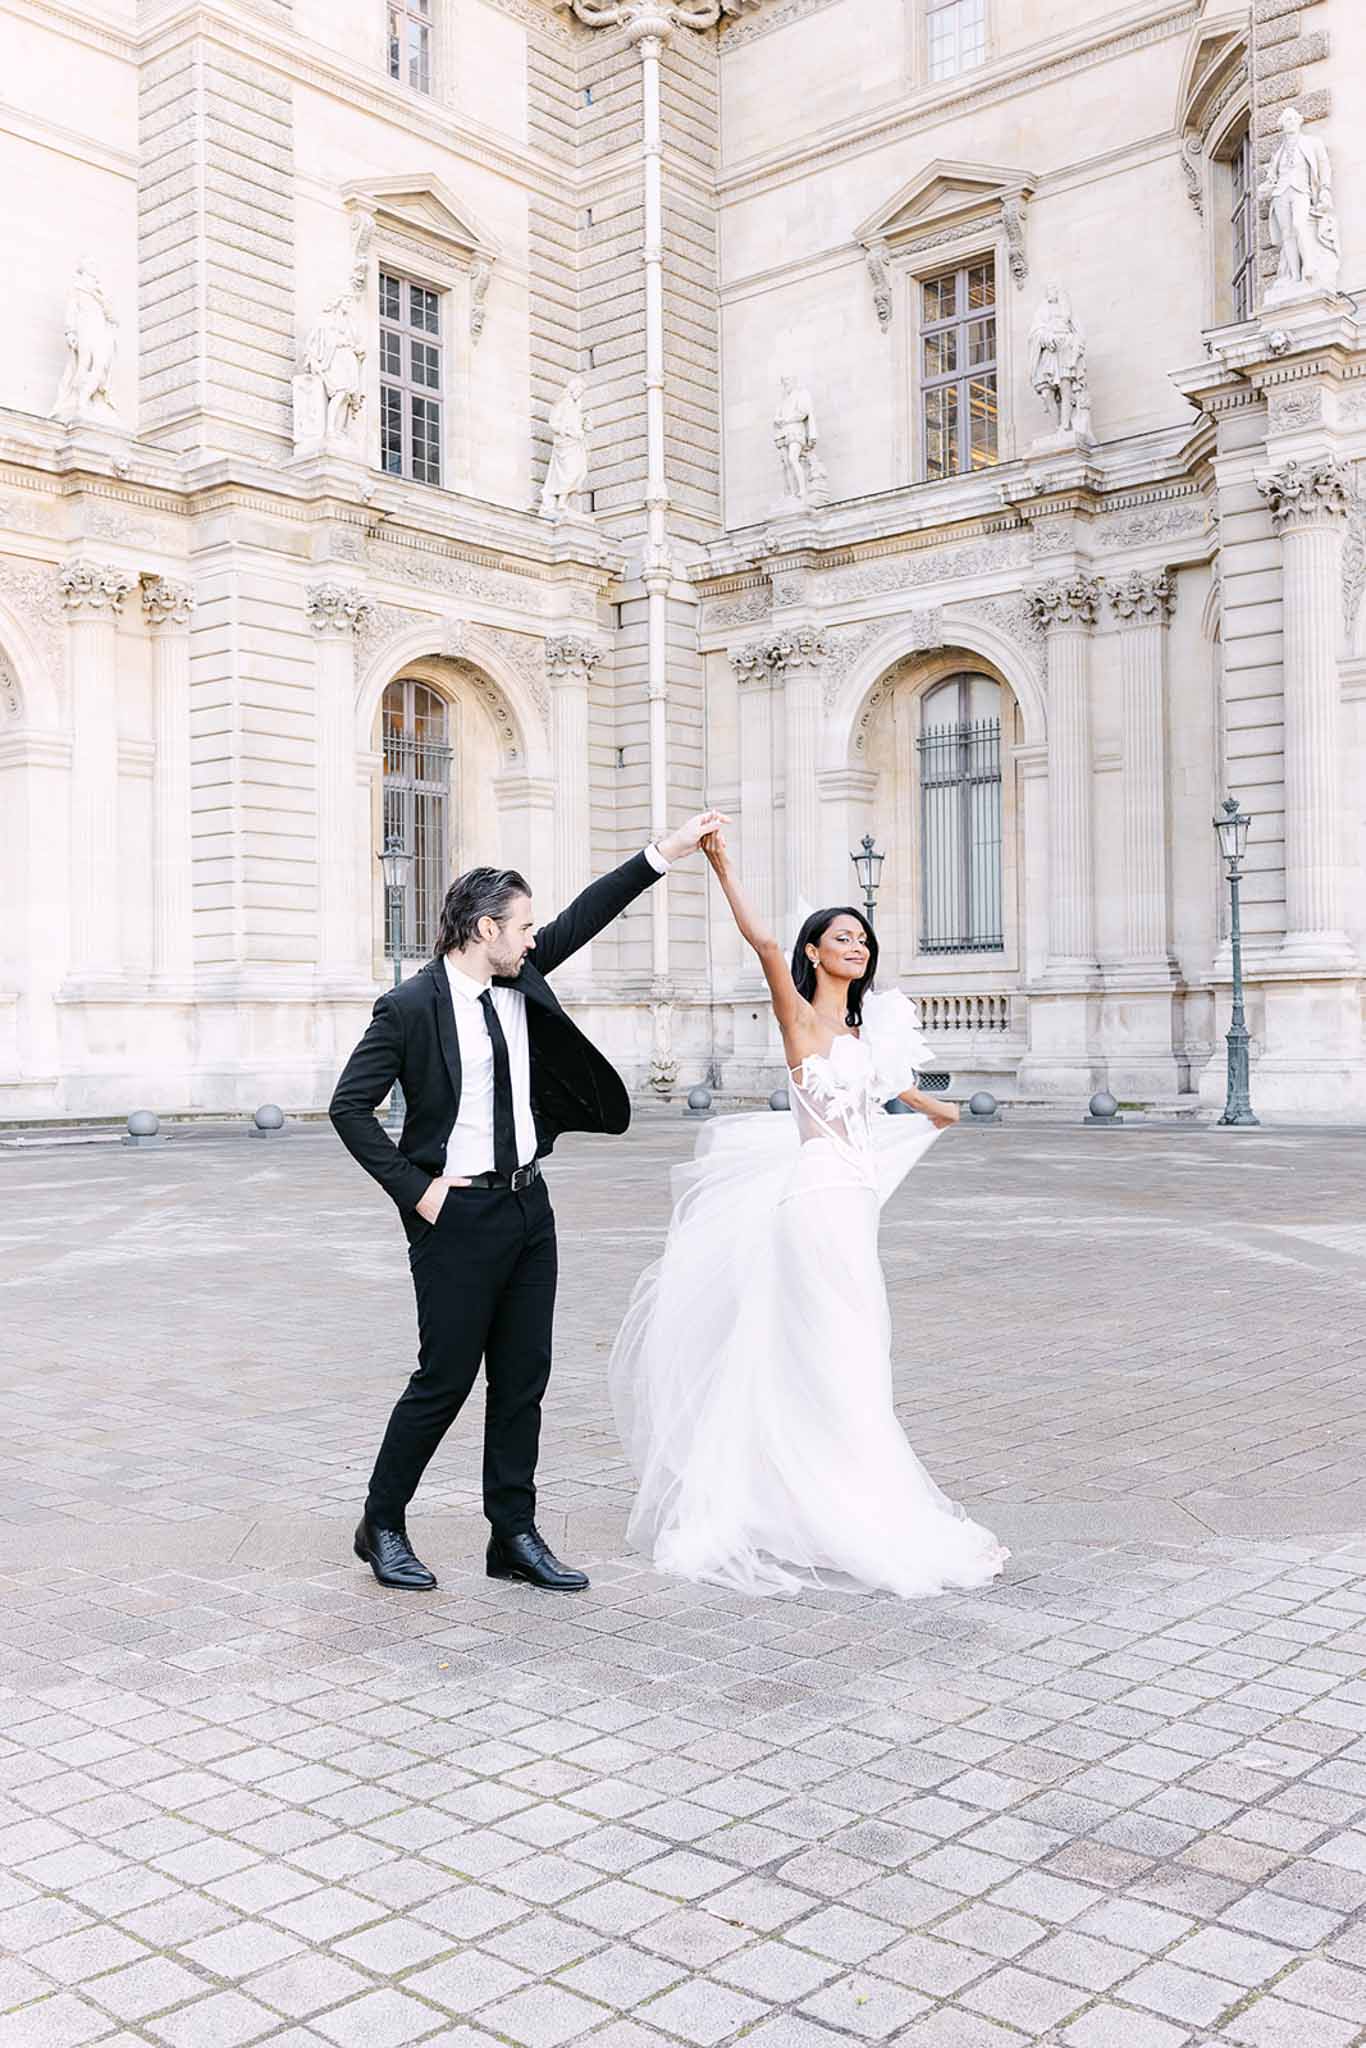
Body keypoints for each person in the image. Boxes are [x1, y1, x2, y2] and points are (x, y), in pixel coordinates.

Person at [610, 825, 1008, 1599]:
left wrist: (938, 1108)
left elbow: (881, 1088)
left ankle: (822, 1497)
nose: (857, 945)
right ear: (816, 952)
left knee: (852, 1353)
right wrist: (724, 864)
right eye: (841, 937)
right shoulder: (798, 1015)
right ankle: (851, 1512)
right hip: (817, 1199)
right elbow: (761, 940)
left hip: (854, 1201)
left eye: (863, 938)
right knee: (840, 1351)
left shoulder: (862, 1032)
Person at [331, 812, 725, 1594]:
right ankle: (381, 1524)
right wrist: (420, 1192)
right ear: (484, 930)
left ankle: (512, 1532)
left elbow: (589, 909)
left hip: (527, 1209)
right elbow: (350, 1107)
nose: (535, 938)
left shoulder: (520, 977)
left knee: (523, 1379)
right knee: (444, 1379)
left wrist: (667, 853)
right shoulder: (410, 1008)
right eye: (523, 927)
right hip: (457, 1216)